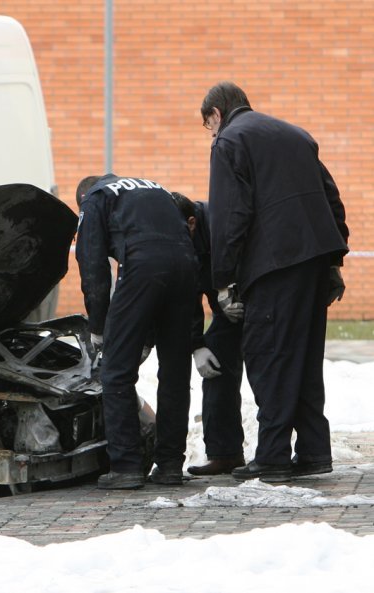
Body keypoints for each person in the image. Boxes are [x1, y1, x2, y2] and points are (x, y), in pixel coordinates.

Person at [201, 81, 349, 481]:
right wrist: (334, 260)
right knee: (303, 359)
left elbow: (230, 216)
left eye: (207, 127)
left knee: (270, 358)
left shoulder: (229, 141)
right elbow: (331, 198)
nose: (210, 135)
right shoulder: (296, 135)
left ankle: (273, 456)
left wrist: (225, 280)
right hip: (315, 263)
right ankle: (315, 451)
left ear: (215, 115)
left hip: (273, 266)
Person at [76, 174, 197, 489]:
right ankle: (170, 465)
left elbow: (93, 266)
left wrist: (99, 326)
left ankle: (126, 467)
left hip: (144, 265)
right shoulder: (150, 187)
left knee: (116, 371)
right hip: (186, 265)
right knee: (174, 371)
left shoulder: (94, 198)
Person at [170, 192, 246, 476]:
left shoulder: (222, 223)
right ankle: (225, 453)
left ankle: (280, 454)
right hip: (228, 313)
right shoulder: (178, 237)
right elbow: (187, 291)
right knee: (216, 365)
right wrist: (197, 344)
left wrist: (235, 289)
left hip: (262, 300)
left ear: (191, 222)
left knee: (272, 374)